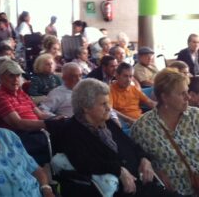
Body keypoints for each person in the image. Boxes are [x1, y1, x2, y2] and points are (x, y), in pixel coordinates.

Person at [45, 78, 179, 197]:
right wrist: (119, 170)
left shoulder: (108, 123)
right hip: (121, 190)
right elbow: (84, 163)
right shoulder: (71, 131)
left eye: (108, 102)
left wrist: (145, 159)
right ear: (86, 107)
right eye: (103, 104)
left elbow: (132, 145)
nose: (109, 108)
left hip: (142, 184)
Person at [131, 69, 199, 196]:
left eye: (187, 92)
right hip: (172, 193)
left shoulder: (195, 116)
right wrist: (155, 171)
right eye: (182, 94)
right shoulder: (143, 127)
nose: (188, 97)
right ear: (164, 97)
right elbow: (138, 160)